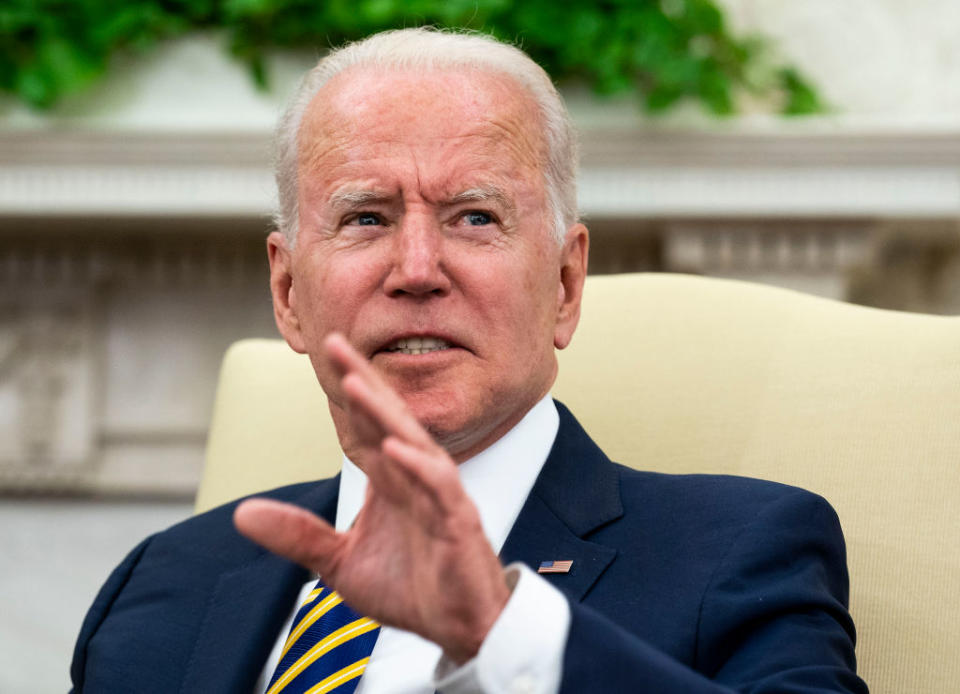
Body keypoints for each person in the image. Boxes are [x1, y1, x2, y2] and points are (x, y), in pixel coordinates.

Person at [70, 28, 868, 694]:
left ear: (563, 283)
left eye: (476, 217)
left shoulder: (743, 551)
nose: (417, 269)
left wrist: (502, 629)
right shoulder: (161, 585)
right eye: (367, 217)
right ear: (288, 293)